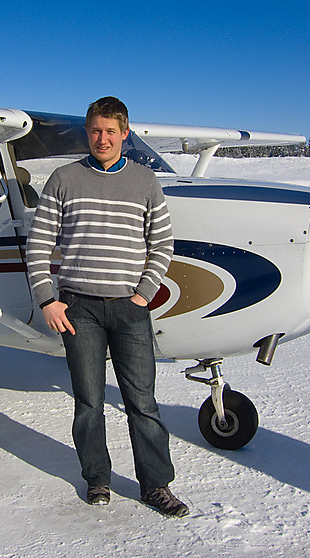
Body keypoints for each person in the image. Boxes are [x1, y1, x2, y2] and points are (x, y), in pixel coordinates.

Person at [25, 96, 188, 518]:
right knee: (89, 400)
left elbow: (162, 244)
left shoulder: (145, 181)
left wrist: (144, 292)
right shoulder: (63, 179)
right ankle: (97, 478)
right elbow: (39, 244)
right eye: (95, 130)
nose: (102, 138)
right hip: (79, 308)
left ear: (125, 134)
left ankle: (156, 486)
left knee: (142, 402)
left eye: (110, 131)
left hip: (129, 309)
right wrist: (48, 299)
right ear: (88, 132)